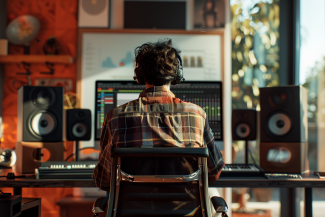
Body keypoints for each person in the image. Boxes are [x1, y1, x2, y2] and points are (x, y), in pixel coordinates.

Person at [93, 39, 225, 192]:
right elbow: (214, 173)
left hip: (133, 212)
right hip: (185, 213)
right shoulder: (196, 115)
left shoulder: (114, 117)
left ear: (139, 75)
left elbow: (103, 180)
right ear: (177, 74)